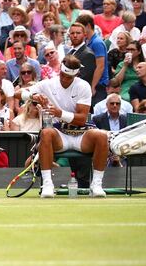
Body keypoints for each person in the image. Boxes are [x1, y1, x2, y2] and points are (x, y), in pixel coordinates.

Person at [30, 55, 109, 198]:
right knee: (46, 133)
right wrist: (33, 96)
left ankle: (97, 185)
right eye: (62, 75)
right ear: (60, 70)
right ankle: (47, 184)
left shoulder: (83, 86)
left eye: (69, 77)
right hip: (60, 135)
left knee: (102, 136)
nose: (64, 79)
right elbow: (20, 93)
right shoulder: (48, 84)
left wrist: (60, 113)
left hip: (81, 135)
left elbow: (81, 119)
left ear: (76, 75)